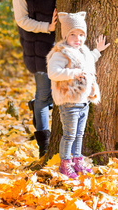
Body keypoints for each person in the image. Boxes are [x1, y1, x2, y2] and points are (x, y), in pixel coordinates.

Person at [9, 0, 58, 158]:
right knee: (43, 94)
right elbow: (22, 19)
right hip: (38, 46)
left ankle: (39, 108)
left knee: (57, 96)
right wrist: (47, 27)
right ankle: (44, 148)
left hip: (60, 46)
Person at [47, 12, 110, 178]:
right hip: (69, 101)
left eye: (81, 35)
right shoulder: (61, 53)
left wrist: (98, 50)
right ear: (66, 35)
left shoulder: (83, 51)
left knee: (79, 134)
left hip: (84, 102)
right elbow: (53, 72)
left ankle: (77, 161)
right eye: (73, 34)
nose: (78, 38)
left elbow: (89, 61)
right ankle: (65, 164)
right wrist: (72, 73)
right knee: (69, 134)